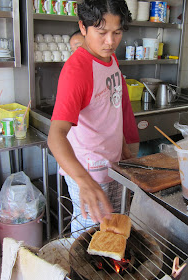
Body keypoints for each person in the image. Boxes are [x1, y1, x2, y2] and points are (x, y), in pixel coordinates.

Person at [48, 0, 133, 237]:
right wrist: (84, 181)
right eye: (102, 32)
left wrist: (123, 147)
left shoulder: (109, 58)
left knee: (113, 229)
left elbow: (109, 110)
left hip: (112, 162)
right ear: (83, 28)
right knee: (90, 234)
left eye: (117, 33)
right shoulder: (77, 70)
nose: (110, 41)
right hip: (88, 168)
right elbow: (55, 137)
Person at [69, 29, 140, 157]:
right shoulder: (76, 72)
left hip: (120, 135)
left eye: (80, 48)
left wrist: (124, 147)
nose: (77, 54)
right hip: (95, 153)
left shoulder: (110, 63)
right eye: (73, 50)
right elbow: (58, 133)